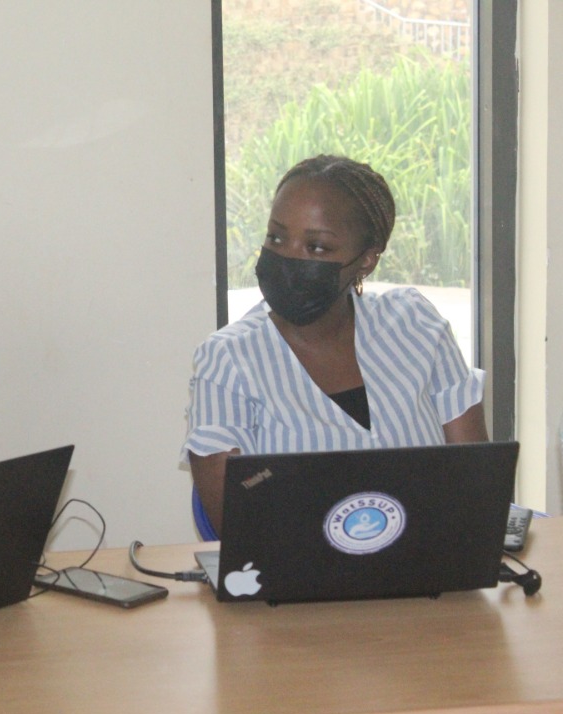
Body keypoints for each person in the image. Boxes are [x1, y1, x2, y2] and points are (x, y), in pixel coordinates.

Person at [182, 155, 487, 538]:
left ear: (367, 261)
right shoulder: (227, 361)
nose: (289, 257)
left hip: (435, 576)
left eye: (317, 248)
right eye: (276, 237)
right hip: (301, 591)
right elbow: (242, 532)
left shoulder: (416, 326)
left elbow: (476, 489)